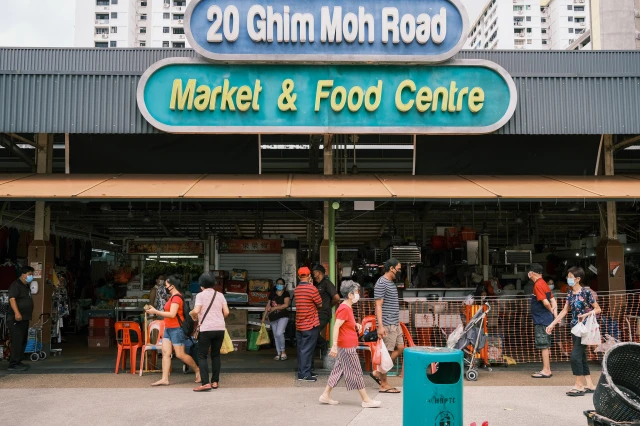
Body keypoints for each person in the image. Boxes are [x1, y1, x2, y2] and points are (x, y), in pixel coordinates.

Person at [319, 280, 382, 408]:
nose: (358, 294)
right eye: (356, 292)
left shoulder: (346, 307)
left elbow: (345, 324)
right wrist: (335, 345)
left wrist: (356, 325)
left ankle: (325, 395)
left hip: (346, 345)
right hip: (347, 346)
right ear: (350, 295)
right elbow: (336, 326)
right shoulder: (344, 308)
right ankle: (366, 400)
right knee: (357, 371)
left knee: (338, 370)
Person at [546, 267, 602, 397]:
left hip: (585, 328)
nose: (568, 279)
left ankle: (579, 385)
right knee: (581, 356)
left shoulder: (586, 292)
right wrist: (552, 324)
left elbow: (598, 309)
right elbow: (565, 311)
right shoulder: (570, 293)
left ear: (578, 279)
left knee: (575, 355)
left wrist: (586, 314)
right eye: (568, 276)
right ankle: (589, 384)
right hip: (575, 328)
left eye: (570, 276)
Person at [144, 276, 201, 386]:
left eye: (166, 285)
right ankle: (164, 379)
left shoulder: (176, 298)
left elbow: (172, 314)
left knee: (180, 355)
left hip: (176, 329)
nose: (165, 287)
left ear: (172, 286)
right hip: (168, 328)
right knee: (166, 353)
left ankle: (197, 370)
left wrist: (156, 311)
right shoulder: (171, 297)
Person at [190, 272, 229, 392]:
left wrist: (192, 314)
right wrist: (217, 319)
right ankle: (215, 382)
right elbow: (226, 312)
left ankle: (205, 383)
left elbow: (196, 310)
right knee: (216, 355)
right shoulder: (220, 295)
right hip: (220, 328)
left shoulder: (200, 296)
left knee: (202, 355)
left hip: (206, 329)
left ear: (201, 285)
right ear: (213, 284)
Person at [371, 258, 403, 394]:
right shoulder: (381, 283)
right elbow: (378, 305)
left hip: (395, 323)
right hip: (388, 324)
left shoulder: (391, 283)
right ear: (391, 268)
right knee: (387, 353)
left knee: (400, 347)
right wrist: (380, 326)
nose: (400, 271)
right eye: (399, 268)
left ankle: (378, 372)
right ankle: (383, 384)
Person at [528, 264, 557, 379]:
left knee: (543, 345)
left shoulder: (538, 285)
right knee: (547, 344)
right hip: (547, 319)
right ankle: (547, 368)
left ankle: (546, 370)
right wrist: (554, 314)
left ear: (533, 273)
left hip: (541, 319)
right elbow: (553, 300)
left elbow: (546, 302)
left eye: (529, 272)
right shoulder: (544, 283)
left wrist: (550, 311)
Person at [294, 266, 322, 382]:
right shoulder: (312, 289)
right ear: (309, 275)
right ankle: (305, 374)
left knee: (301, 349)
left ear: (299, 276)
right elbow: (319, 303)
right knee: (307, 350)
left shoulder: (297, 289)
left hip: (299, 324)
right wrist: (311, 285)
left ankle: (304, 371)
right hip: (310, 324)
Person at [7, 265, 35, 371]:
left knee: (23, 340)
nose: (31, 277)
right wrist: (17, 313)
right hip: (16, 319)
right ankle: (13, 364)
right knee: (17, 340)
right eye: (29, 275)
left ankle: (18, 361)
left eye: (32, 275)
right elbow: (12, 299)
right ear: (23, 275)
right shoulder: (16, 285)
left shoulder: (25, 286)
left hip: (24, 318)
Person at [312, 264, 340, 354]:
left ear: (319, 273)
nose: (313, 274)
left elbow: (337, 298)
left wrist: (328, 305)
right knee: (311, 332)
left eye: (314, 272)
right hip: (316, 313)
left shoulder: (327, 283)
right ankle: (322, 346)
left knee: (313, 332)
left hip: (323, 313)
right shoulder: (317, 284)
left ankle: (324, 345)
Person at [262, 277, 291, 361]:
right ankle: (278, 353)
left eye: (281, 284)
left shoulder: (286, 293)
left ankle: (283, 351)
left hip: (283, 316)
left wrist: (275, 308)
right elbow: (268, 306)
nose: (279, 285)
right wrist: (264, 317)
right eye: (278, 283)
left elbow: (286, 305)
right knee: (275, 335)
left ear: (284, 285)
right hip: (273, 317)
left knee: (279, 333)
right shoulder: (272, 294)